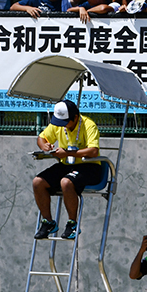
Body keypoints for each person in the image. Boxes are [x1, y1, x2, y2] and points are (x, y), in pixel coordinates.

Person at [32, 100, 102, 241]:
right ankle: (48, 222)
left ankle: (72, 224)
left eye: (65, 122)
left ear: (75, 118)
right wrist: (44, 146)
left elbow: (94, 151)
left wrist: (68, 154)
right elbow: (41, 137)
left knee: (66, 182)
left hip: (89, 166)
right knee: (38, 182)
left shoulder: (89, 125)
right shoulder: (57, 124)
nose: (61, 125)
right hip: (66, 164)